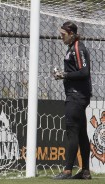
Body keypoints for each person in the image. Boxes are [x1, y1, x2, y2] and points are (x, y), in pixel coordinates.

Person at [53, 21, 92, 180]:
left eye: (63, 34)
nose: (61, 37)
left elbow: (84, 72)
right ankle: (85, 172)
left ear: (71, 34)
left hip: (76, 96)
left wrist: (64, 75)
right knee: (82, 133)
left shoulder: (78, 47)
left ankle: (67, 170)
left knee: (72, 131)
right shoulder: (72, 48)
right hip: (76, 95)